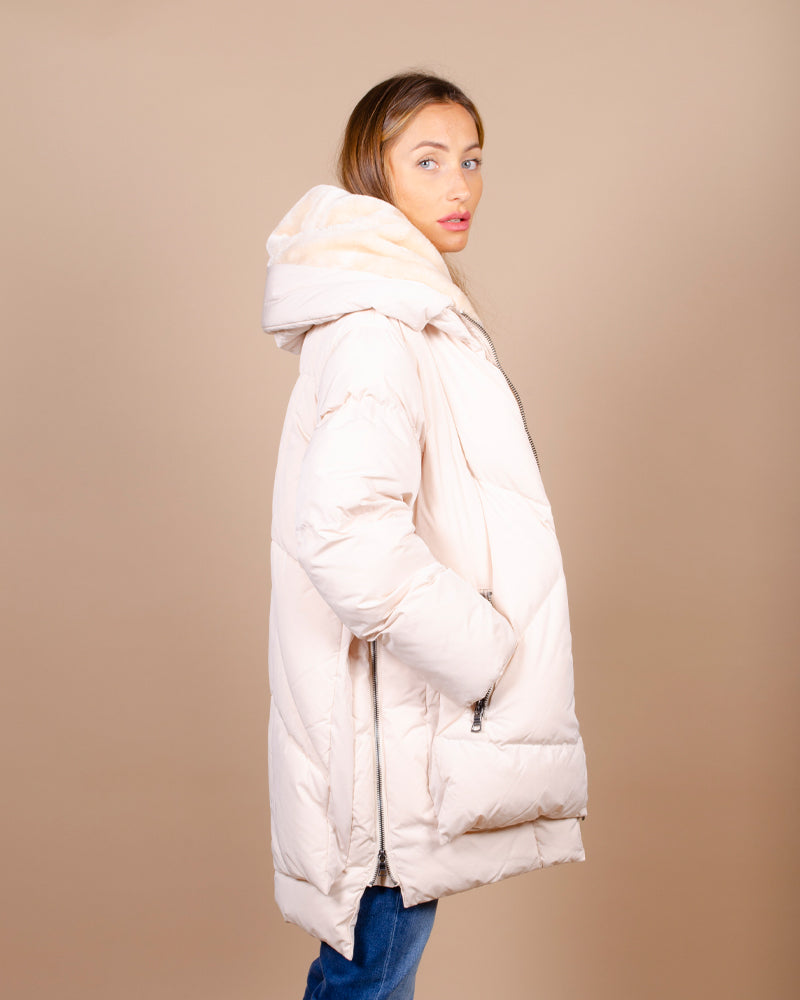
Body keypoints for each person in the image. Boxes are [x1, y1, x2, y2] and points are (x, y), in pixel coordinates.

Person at [260, 71, 588, 1000]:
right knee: (368, 979)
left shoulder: (409, 310)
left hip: (400, 729)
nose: (460, 186)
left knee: (373, 976)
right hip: (387, 738)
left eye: (472, 161)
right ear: (376, 173)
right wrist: (482, 652)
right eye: (429, 161)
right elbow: (346, 534)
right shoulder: (379, 325)